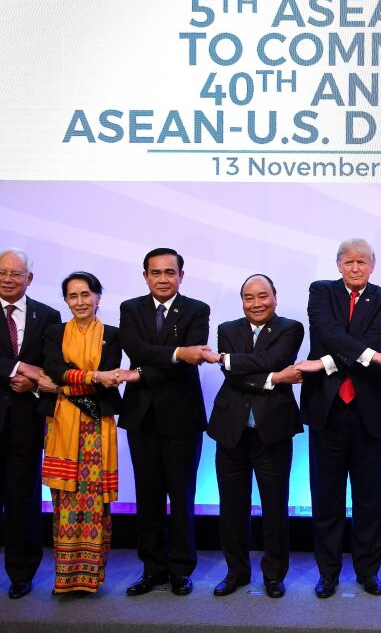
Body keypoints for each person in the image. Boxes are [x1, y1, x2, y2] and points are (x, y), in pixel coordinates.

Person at [296, 238, 381, 598]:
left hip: (370, 409)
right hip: (327, 409)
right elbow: (327, 333)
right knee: (326, 496)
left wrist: (324, 361)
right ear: (338, 264)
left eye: (363, 262)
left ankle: (368, 571)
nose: (356, 268)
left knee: (371, 498)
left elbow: (373, 337)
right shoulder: (321, 291)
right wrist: (369, 354)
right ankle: (328, 573)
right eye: (349, 262)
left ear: (373, 265)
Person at [204, 274, 305, 599]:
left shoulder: (290, 328)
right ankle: (236, 572)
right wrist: (275, 378)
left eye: (263, 296)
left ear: (275, 297)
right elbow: (233, 376)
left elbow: (272, 360)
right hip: (230, 430)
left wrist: (234, 362)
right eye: (249, 297)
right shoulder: (227, 329)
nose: (256, 303)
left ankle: (274, 575)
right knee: (232, 508)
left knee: (274, 508)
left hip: (272, 432)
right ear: (242, 300)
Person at [39, 272, 139, 594]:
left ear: (98, 297)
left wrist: (64, 385)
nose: (80, 302)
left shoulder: (113, 334)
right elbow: (54, 368)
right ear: (66, 300)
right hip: (61, 426)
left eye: (86, 295)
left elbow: (106, 381)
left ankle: (91, 578)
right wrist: (93, 376)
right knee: (64, 500)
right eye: (73, 296)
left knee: (94, 502)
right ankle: (64, 579)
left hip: (97, 426)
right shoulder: (54, 332)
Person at [118, 247, 211, 596]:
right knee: (149, 497)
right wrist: (174, 353)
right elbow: (135, 348)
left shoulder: (197, 310)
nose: (162, 278)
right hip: (142, 418)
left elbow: (192, 356)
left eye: (169, 272)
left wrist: (141, 372)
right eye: (155, 272)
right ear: (145, 276)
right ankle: (152, 569)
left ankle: (181, 569)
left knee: (182, 496)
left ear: (181, 276)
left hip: (182, 418)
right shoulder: (131, 308)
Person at [0, 248, 61, 599]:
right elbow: (21, 364)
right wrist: (16, 368)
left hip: (27, 422)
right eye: (3, 272)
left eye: (16, 273)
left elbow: (52, 366)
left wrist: (35, 383)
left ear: (29, 279)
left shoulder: (47, 315)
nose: (8, 279)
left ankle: (21, 574)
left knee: (23, 499)